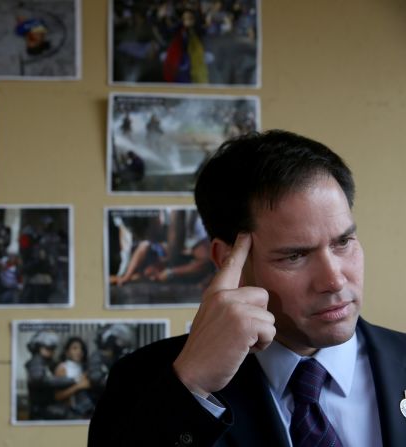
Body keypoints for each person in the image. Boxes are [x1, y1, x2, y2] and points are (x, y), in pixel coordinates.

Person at [88, 129, 406, 446]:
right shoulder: (143, 381)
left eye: (343, 242)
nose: (334, 280)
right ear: (229, 260)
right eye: (295, 256)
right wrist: (191, 387)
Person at [54, 336, 93, 419]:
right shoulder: (62, 368)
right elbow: (58, 396)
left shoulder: (85, 368)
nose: (79, 351)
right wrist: (78, 386)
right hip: (70, 413)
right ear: (67, 352)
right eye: (74, 348)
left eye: (81, 349)